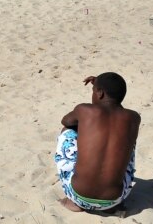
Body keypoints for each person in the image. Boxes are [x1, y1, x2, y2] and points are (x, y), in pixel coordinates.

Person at [55, 73, 139, 213]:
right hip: (115, 200)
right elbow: (114, 114)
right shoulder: (134, 118)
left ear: (99, 93)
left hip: (77, 195)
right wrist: (99, 85)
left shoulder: (85, 110)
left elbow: (66, 121)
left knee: (68, 131)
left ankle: (72, 202)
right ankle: (112, 206)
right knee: (127, 139)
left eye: (94, 91)